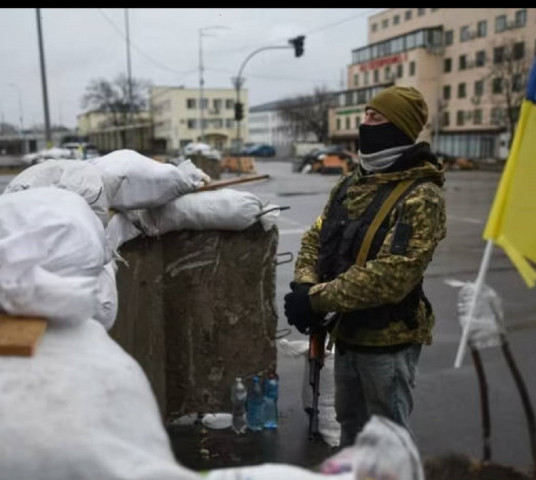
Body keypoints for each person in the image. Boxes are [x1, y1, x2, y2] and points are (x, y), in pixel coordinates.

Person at [284, 86, 447, 448]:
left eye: (376, 117)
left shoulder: (421, 195)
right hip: (349, 334)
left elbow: (392, 275)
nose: (365, 122)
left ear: (399, 128)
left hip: (388, 343)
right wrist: (303, 285)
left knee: (387, 441)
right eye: (366, 114)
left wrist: (316, 299)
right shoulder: (351, 182)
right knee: (352, 432)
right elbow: (316, 236)